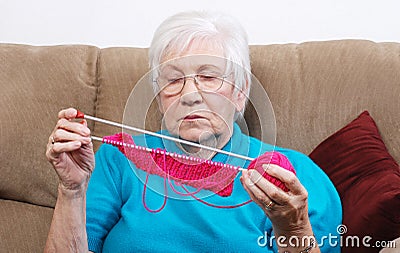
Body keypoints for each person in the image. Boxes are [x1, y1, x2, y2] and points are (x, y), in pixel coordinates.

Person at [45, 11, 342, 253]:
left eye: (208, 76)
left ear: (240, 92)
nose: (190, 94)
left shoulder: (296, 174)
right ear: (159, 97)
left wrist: (295, 229)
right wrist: (71, 191)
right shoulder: (116, 159)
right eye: (173, 80)